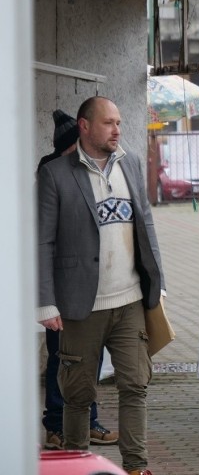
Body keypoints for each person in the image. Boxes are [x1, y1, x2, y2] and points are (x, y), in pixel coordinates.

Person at [37, 97, 165, 475]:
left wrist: (157, 282)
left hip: (130, 301)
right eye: (108, 123)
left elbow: (147, 226)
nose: (117, 130)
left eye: (119, 123)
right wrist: (45, 303)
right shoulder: (56, 174)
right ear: (85, 126)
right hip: (80, 305)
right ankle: (76, 463)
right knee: (77, 395)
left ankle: (137, 468)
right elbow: (42, 241)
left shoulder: (131, 164)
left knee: (135, 386)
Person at [39, 110, 119, 450]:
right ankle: (57, 427)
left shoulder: (96, 172)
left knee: (90, 361)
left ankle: (89, 421)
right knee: (62, 360)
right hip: (63, 291)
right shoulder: (51, 177)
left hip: (97, 288)